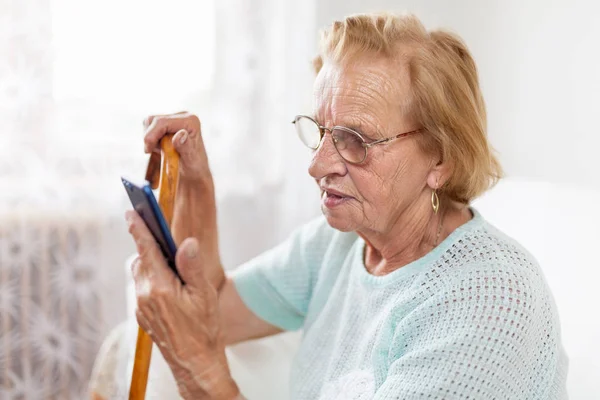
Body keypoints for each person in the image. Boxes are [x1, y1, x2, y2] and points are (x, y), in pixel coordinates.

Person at [125, 12, 568, 400]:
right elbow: (214, 311)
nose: (317, 166)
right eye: (321, 131)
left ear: (441, 160)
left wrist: (199, 372)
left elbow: (199, 339)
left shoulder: (489, 299)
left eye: (355, 140)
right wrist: (196, 184)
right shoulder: (339, 244)